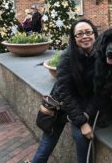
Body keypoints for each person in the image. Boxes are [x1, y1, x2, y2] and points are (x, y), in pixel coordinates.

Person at [32, 18, 99, 163]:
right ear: (74, 39)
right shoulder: (67, 59)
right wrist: (82, 122)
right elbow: (64, 92)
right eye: (79, 34)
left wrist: (87, 114)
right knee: (46, 146)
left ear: (95, 34)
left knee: (82, 139)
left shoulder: (101, 58)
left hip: (82, 107)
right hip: (61, 106)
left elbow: (99, 92)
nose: (85, 36)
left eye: (88, 32)